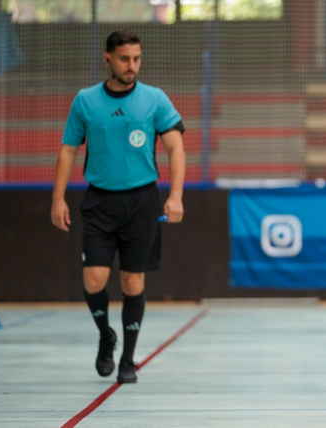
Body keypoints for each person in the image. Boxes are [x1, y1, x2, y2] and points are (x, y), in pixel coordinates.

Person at [50, 30, 185, 384]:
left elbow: (175, 148)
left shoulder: (154, 99)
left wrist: (175, 195)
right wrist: (57, 197)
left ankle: (127, 358)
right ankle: (105, 336)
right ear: (108, 58)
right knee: (94, 279)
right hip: (99, 201)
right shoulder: (85, 101)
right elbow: (68, 150)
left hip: (142, 201)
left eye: (137, 59)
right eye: (125, 59)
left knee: (131, 281)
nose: (132, 66)